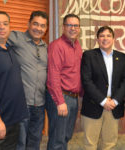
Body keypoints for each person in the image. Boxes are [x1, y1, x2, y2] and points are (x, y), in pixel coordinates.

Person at [81, 26, 125, 150]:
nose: (105, 38)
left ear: (113, 39)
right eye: (102, 36)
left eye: (108, 36)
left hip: (114, 106)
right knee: (90, 144)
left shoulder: (122, 57)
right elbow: (86, 81)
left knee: (110, 144)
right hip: (93, 104)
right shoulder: (89, 55)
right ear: (97, 39)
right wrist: (103, 101)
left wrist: (115, 101)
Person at [8, 11, 48, 150]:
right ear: (28, 24)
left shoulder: (46, 48)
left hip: (40, 104)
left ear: (46, 28)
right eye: (35, 24)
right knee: (19, 143)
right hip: (21, 104)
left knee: (35, 142)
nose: (38, 28)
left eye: (42, 26)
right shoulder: (16, 37)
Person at [46, 14, 83, 150]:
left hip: (73, 98)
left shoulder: (77, 46)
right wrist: (60, 101)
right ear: (63, 27)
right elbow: (53, 76)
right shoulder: (57, 46)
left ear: (79, 28)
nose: (73, 28)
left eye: (76, 26)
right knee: (57, 139)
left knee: (66, 136)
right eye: (69, 25)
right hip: (60, 97)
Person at [0, 11, 28, 150]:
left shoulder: (9, 49)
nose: (1, 27)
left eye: (5, 23)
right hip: (1, 120)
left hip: (14, 118)